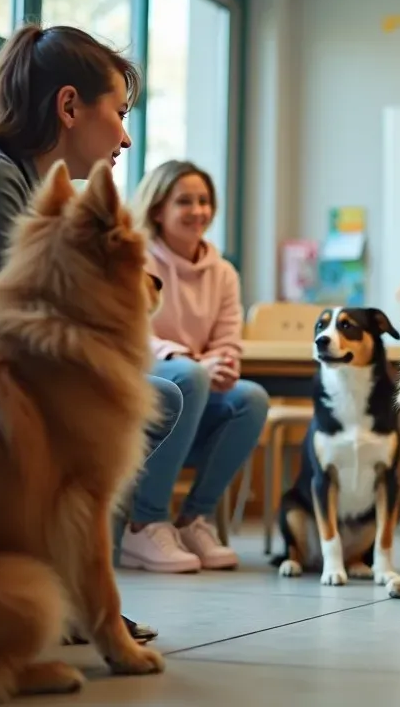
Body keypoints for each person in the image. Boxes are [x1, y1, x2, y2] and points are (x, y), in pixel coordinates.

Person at [0, 22, 182, 644]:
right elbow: (1, 333)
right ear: (70, 106)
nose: (126, 136)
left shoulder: (24, 184)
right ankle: (79, 593)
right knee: (152, 399)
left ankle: (76, 591)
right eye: (120, 112)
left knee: (159, 395)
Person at [122, 159, 268, 573]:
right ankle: (144, 523)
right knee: (189, 375)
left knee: (251, 398)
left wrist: (221, 364)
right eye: (184, 201)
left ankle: (193, 519)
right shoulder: (136, 258)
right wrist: (189, 359)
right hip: (148, 383)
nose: (198, 210)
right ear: (157, 210)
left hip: (197, 381)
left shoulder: (223, 273)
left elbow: (227, 342)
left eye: (204, 201)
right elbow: (132, 332)